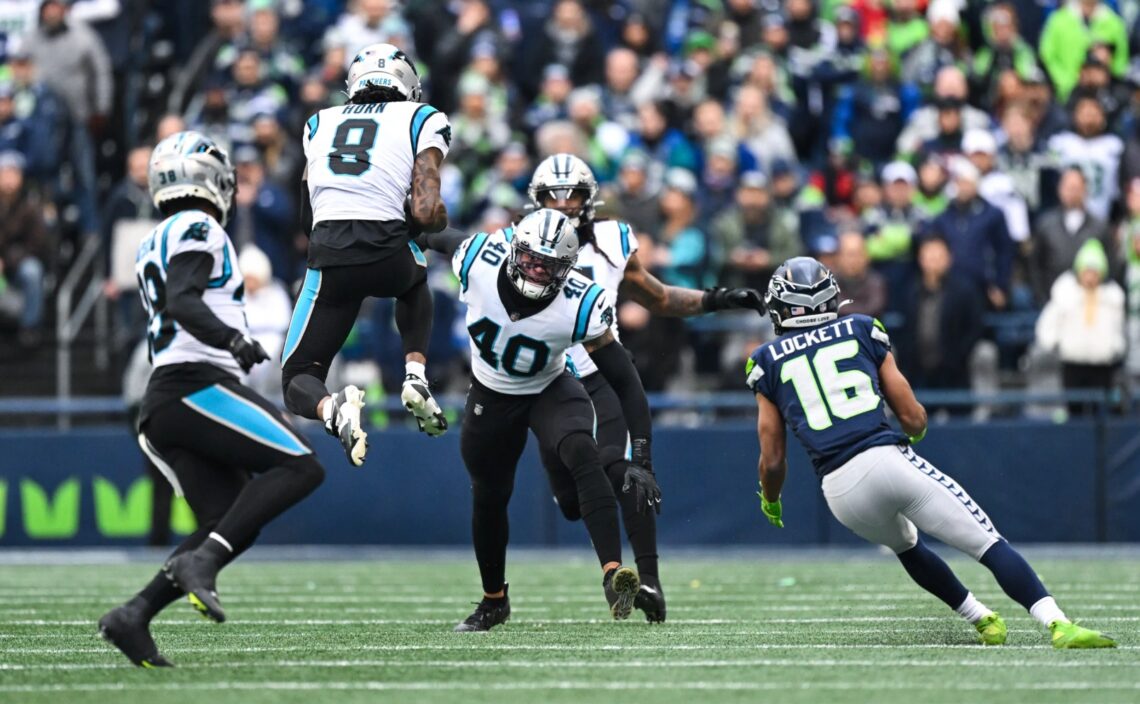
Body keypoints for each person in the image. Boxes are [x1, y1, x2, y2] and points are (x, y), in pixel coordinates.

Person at [746, 256, 1116, 649]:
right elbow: (912, 416)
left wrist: (771, 499)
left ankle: (981, 618)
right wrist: (916, 432)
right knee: (987, 543)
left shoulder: (765, 360)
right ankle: (1057, 623)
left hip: (840, 493)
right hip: (884, 460)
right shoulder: (861, 328)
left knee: (906, 547)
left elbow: (772, 457)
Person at [98, 131, 327, 667]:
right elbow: (183, 300)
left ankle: (134, 614)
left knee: (226, 523)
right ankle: (199, 566)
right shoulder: (199, 226)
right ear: (212, 180)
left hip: (170, 395)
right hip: (193, 384)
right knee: (302, 465)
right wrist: (233, 340)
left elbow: (177, 298)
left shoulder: (156, 236)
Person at [520, 154, 764, 621]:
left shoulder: (611, 240)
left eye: (573, 194)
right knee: (571, 502)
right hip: (548, 382)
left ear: (590, 199)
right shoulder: (520, 243)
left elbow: (658, 296)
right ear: (538, 201)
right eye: (554, 195)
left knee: (622, 468)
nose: (565, 203)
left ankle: (647, 580)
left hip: (603, 372)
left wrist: (717, 299)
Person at [439, 209, 660, 631]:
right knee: (489, 494)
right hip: (491, 392)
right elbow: (433, 236)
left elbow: (626, 382)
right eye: (531, 259)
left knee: (582, 449)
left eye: (549, 265)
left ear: (568, 268)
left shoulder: (580, 300)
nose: (537, 270)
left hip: (549, 386)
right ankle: (493, 600)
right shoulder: (479, 259)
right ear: (514, 250)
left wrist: (643, 457)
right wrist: (395, 229)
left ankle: (613, 574)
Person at [283, 43, 451, 467]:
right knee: (415, 279)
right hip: (389, 253)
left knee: (298, 378)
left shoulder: (318, 122)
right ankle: (415, 375)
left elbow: (306, 218)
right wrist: (432, 226)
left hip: (329, 257)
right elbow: (426, 210)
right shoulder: (423, 117)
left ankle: (332, 409)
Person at [1035, 239, 1125, 412]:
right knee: (1073, 408)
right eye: (1086, 271)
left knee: (1100, 409)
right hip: (1072, 361)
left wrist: (1115, 347)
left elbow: (1117, 328)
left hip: (1102, 363)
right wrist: (1055, 343)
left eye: (1095, 272)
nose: (1090, 277)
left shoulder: (1112, 298)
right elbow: (1048, 324)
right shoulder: (1065, 294)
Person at [897, 235, 985, 389]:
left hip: (956, 371)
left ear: (949, 258)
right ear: (921, 259)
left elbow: (974, 328)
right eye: (929, 256)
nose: (934, 261)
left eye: (939, 256)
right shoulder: (910, 291)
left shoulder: (965, 290)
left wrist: (958, 356)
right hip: (917, 371)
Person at [1030, 167, 1116, 305]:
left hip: (1090, 304)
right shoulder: (1045, 225)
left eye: (1076, 188)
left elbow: (1110, 267)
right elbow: (1035, 266)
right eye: (1068, 188)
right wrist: (1042, 299)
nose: (1072, 193)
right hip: (1052, 303)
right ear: (1059, 189)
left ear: (1085, 190)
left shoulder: (1100, 227)